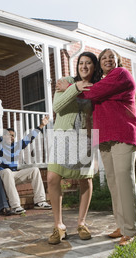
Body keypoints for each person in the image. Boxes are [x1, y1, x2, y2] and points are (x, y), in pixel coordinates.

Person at [79, 48, 136, 246]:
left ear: (118, 61)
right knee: (114, 183)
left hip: (123, 133)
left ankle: (130, 231)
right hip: (105, 137)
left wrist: (75, 88)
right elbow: (90, 95)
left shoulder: (121, 75)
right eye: (103, 58)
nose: (107, 60)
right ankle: (122, 226)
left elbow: (92, 93)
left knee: (124, 180)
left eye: (111, 57)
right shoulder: (102, 82)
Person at [47, 52, 99, 245]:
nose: (84, 66)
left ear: (94, 67)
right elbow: (58, 106)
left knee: (85, 180)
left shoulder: (97, 87)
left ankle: (82, 223)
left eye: (88, 63)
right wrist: (74, 87)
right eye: (81, 63)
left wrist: (95, 148)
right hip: (62, 135)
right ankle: (59, 226)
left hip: (85, 137)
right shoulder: (67, 81)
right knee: (53, 177)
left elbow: (95, 115)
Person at [0, 106, 52, 214]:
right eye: (9, 135)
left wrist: (41, 125)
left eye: (13, 136)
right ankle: (15, 206)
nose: (12, 137)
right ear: (4, 136)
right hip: (1, 175)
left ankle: (40, 201)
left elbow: (29, 138)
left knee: (35, 170)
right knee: (8, 172)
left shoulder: (17, 146)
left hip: (13, 175)